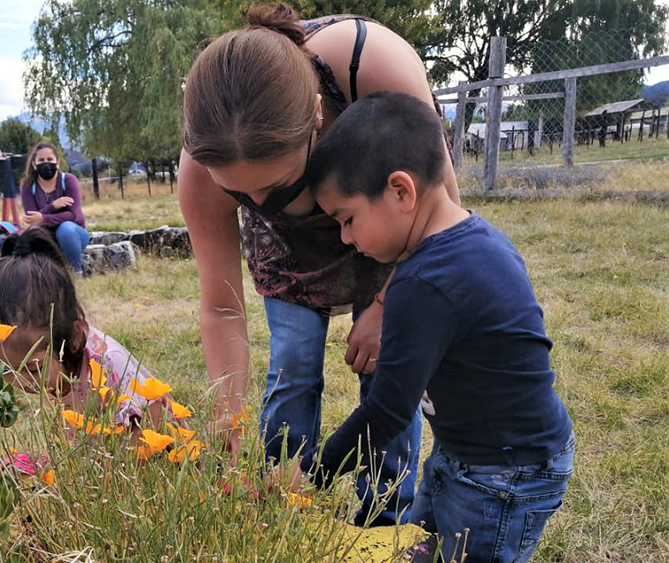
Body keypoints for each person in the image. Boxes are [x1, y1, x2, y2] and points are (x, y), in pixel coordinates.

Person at [179, 3, 459, 524]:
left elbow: (440, 228)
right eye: (240, 195)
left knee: (388, 372)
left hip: (391, 230)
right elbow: (221, 308)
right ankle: (284, 511)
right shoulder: (208, 156)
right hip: (287, 253)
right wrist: (230, 421)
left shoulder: (371, 68)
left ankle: (383, 517)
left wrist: (386, 302)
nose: (260, 203)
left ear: (314, 116)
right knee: (294, 365)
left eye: (277, 185)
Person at [289, 91, 574, 562]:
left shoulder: (424, 281)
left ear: (401, 191)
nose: (345, 237)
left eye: (348, 218)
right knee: (417, 549)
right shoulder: (473, 239)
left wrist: (314, 471)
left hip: (503, 473)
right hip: (468, 452)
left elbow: (387, 412)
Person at [0, 228, 182, 433]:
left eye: (33, 369)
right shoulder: (50, 372)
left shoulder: (109, 366)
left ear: (73, 338)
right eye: (4, 371)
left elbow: (148, 435)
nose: (20, 381)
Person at [19, 142, 89, 275]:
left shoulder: (68, 180)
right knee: (32, 232)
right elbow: (32, 219)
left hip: (74, 236)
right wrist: (53, 206)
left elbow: (74, 215)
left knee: (66, 228)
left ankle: (76, 273)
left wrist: (44, 218)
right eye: (41, 160)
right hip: (47, 236)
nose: (46, 163)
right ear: (34, 164)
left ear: (57, 162)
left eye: (50, 159)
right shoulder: (28, 186)